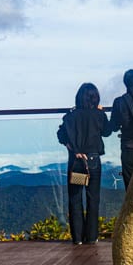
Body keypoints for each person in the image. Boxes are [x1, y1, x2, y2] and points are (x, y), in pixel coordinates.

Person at [57, 83, 111, 244]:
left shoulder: (71, 116)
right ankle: (92, 236)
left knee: (75, 198)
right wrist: (102, 112)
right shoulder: (98, 115)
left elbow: (61, 135)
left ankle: (78, 237)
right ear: (95, 98)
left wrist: (71, 147)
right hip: (93, 161)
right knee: (93, 198)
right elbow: (107, 132)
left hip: (77, 161)